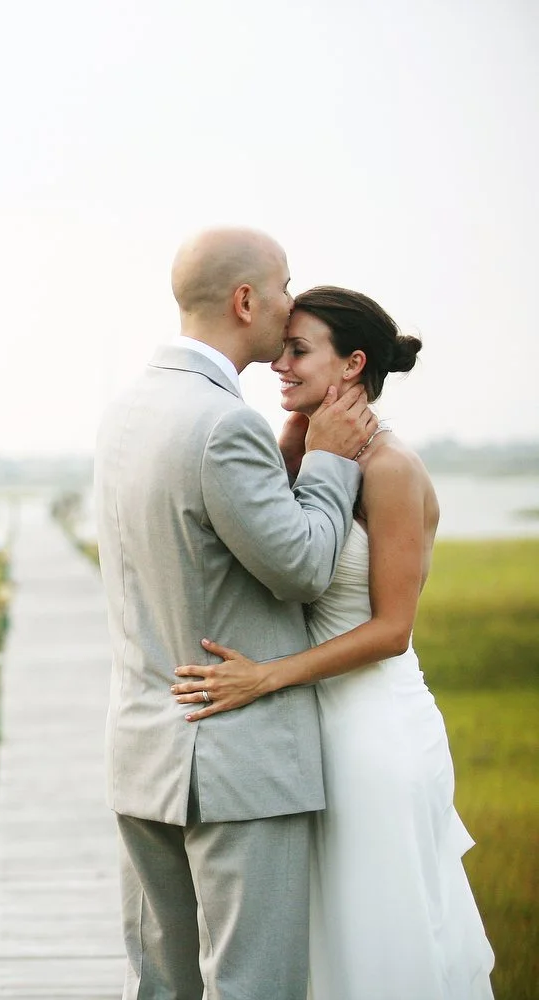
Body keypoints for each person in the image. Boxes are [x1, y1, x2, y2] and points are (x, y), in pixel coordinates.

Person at [170, 285, 496, 999]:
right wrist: (298, 442)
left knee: (381, 935)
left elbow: (391, 629)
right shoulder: (311, 450)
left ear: (352, 366)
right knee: (326, 939)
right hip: (317, 734)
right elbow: (290, 553)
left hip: (376, 730)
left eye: (298, 351)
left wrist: (266, 677)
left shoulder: (391, 469)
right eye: (281, 349)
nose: (278, 366)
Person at [93, 227, 378, 1000]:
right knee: (254, 986)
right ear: (246, 299)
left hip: (142, 752)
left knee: (160, 985)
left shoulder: (126, 411)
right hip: (236, 766)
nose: (290, 305)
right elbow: (305, 567)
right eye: (284, 286)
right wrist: (327, 460)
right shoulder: (225, 423)